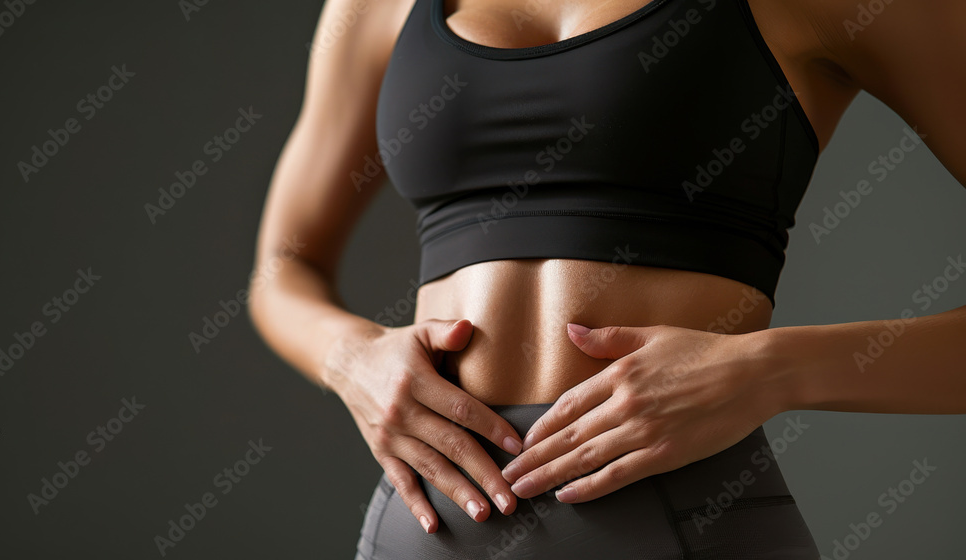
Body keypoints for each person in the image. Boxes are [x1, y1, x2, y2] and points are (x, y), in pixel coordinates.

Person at [247, 0, 966, 557]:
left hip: (682, 527)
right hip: (428, 529)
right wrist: (352, 359)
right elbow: (282, 270)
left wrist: (773, 371)